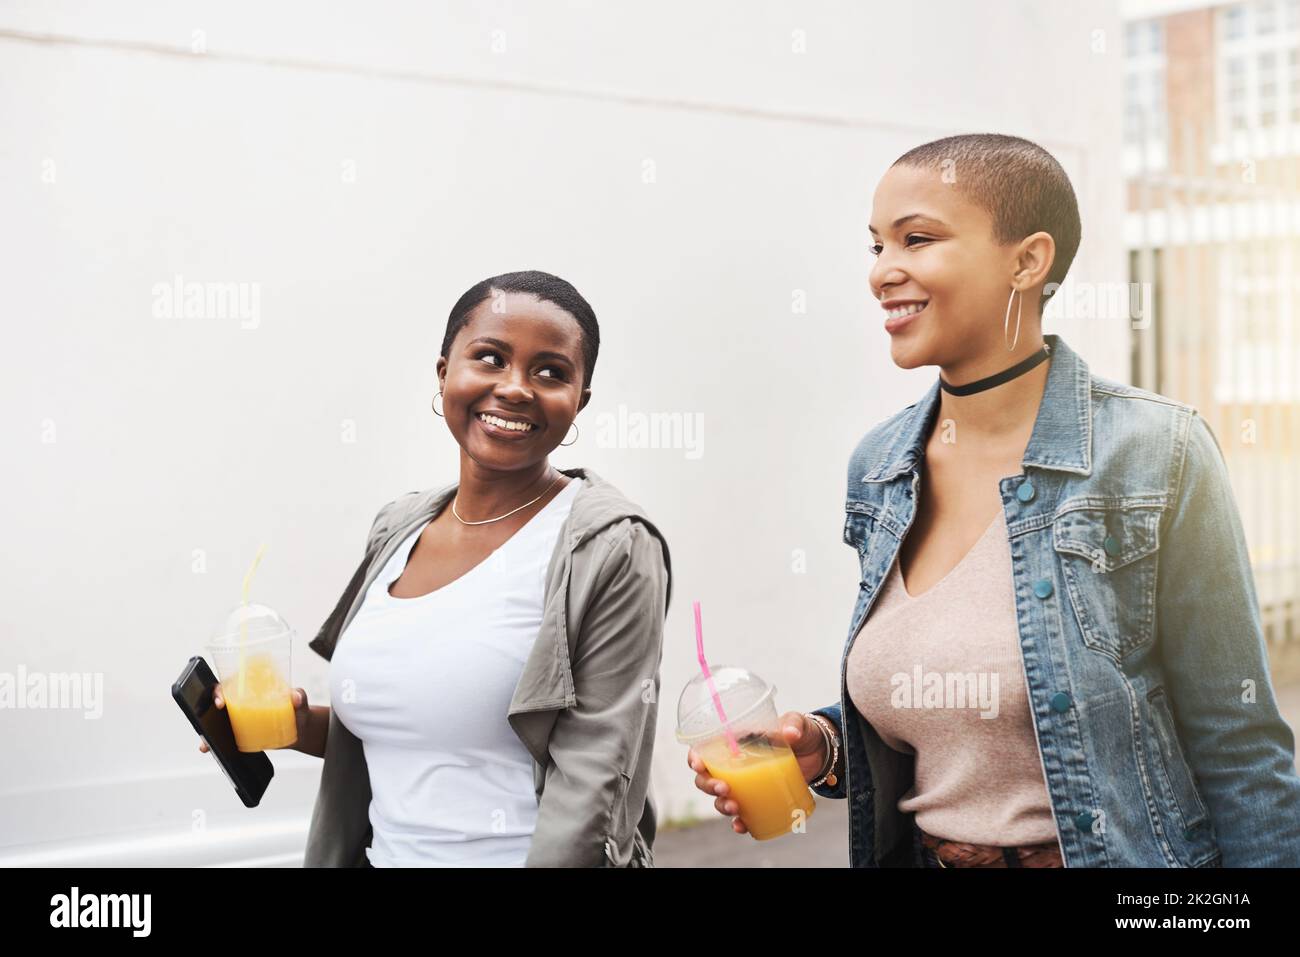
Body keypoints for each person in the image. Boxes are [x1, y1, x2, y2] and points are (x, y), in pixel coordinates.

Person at [688, 133, 1300, 867]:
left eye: (917, 239)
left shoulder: (1155, 452)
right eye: (876, 246)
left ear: (1027, 260)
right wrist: (821, 746)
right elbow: (943, 724)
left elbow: (1242, 751)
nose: (884, 271)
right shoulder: (880, 467)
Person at [202, 269, 671, 866]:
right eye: (490, 357)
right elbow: (411, 734)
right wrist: (294, 726)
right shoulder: (398, 528)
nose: (516, 388)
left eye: (551, 371)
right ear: (445, 371)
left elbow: (596, 780)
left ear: (579, 400)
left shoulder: (611, 546)